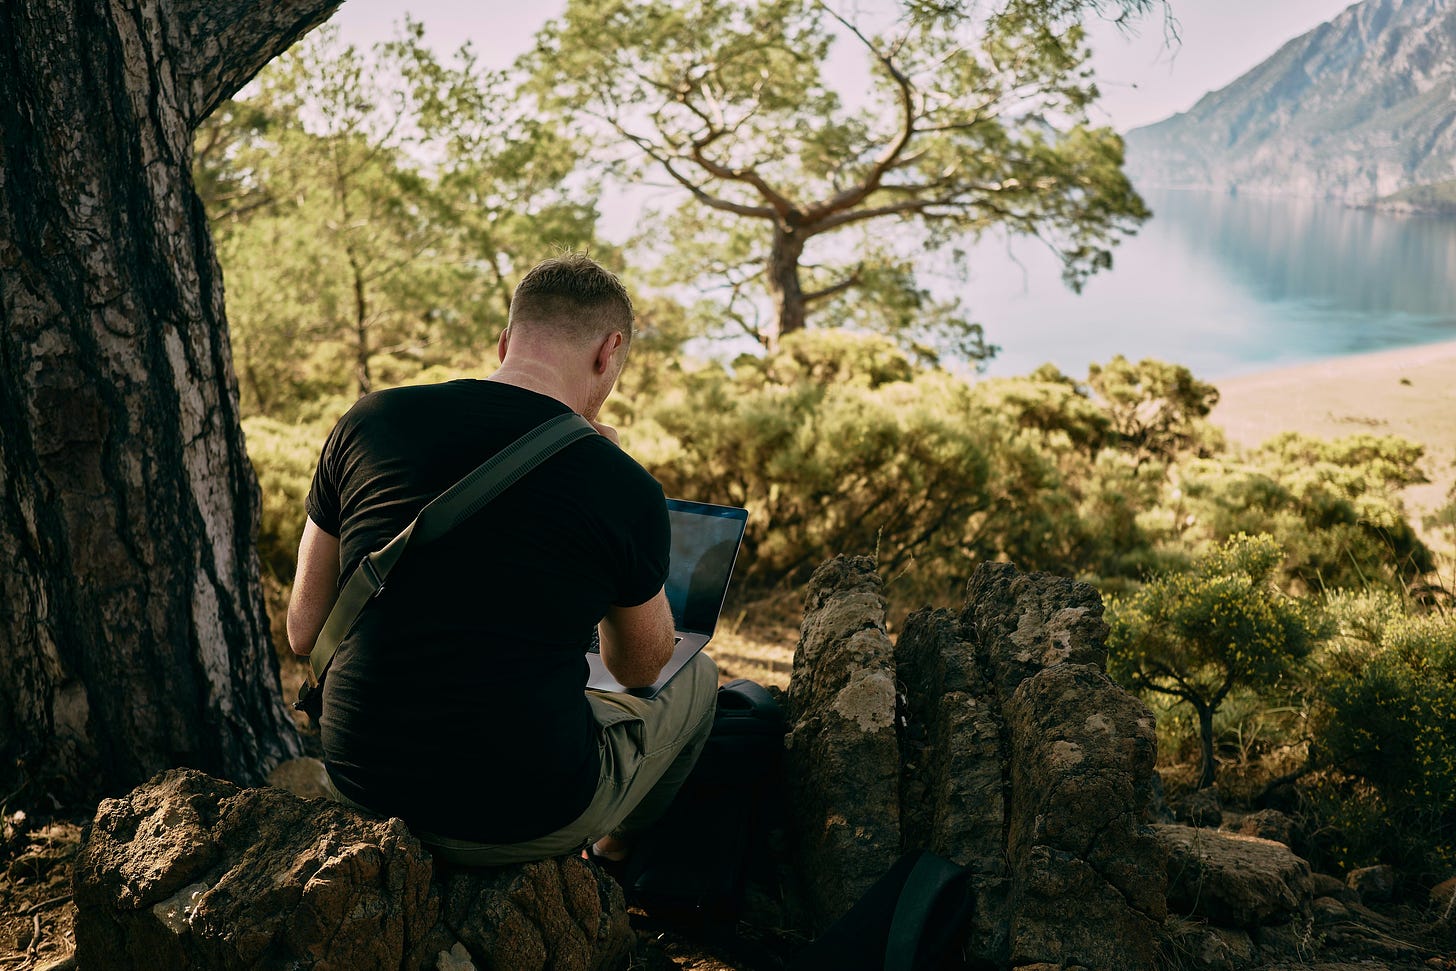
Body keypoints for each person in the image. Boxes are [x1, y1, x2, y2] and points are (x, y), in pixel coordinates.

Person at [286, 253, 717, 867]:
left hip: (365, 786)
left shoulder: (368, 419)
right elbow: (641, 667)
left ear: (505, 341)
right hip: (523, 814)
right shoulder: (621, 483)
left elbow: (305, 632)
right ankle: (618, 860)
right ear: (609, 351)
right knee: (697, 674)